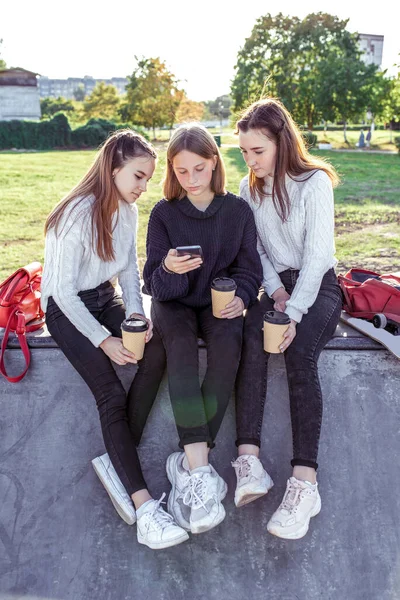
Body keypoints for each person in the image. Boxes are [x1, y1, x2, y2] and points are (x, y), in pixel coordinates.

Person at [41, 129, 188, 550]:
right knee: (108, 392)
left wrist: (138, 317)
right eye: (139, 177)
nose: (144, 187)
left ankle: (115, 458)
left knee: (157, 348)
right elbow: (64, 294)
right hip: (66, 308)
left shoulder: (127, 211)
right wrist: (105, 340)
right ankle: (144, 509)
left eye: (147, 179)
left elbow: (128, 271)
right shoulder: (75, 213)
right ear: (114, 167)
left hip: (106, 297)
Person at [143, 124, 262, 535]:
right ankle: (199, 468)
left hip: (217, 300)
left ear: (214, 162)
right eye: (181, 171)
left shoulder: (237, 212)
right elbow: (154, 284)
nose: (191, 179)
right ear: (172, 172)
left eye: (199, 168)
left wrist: (242, 298)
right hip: (173, 302)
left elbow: (250, 270)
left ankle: (189, 464)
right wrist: (168, 269)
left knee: (229, 348)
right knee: (178, 349)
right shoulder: (163, 214)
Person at [233, 98, 342, 540]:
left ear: (281, 141)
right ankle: (250, 463)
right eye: (243, 151)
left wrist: (293, 310)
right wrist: (276, 292)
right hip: (277, 285)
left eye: (257, 151)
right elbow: (256, 249)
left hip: (319, 287)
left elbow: (317, 259)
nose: (250, 160)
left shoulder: (314, 183)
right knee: (248, 339)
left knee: (299, 354)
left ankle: (305, 484)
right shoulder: (248, 187)